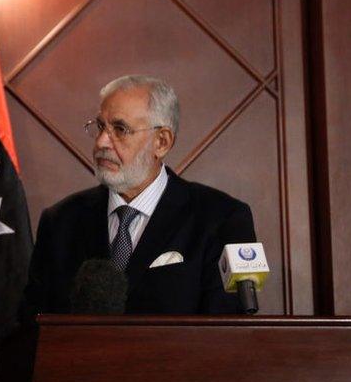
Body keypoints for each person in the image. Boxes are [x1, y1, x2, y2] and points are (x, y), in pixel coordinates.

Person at [23, 75, 257, 315]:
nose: (102, 141)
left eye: (120, 129)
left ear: (162, 142)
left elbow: (228, 334)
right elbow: (35, 327)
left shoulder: (222, 218)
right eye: (101, 126)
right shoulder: (60, 221)